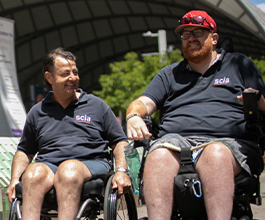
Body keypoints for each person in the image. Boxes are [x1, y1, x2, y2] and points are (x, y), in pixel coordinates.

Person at [126, 10, 265, 220]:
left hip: (229, 143)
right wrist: (133, 115)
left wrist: (256, 100)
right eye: (185, 34)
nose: (191, 38)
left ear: (214, 38)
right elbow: (143, 102)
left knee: (214, 153)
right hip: (176, 142)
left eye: (198, 32)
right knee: (157, 156)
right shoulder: (169, 74)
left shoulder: (239, 64)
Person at [6, 47, 131, 220]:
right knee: (33, 173)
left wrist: (122, 171)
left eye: (75, 72)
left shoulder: (96, 105)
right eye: (65, 73)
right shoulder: (37, 112)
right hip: (50, 165)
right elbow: (25, 151)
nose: (73, 78)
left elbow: (119, 142)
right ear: (49, 77)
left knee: (68, 169)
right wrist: (14, 180)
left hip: (91, 163)